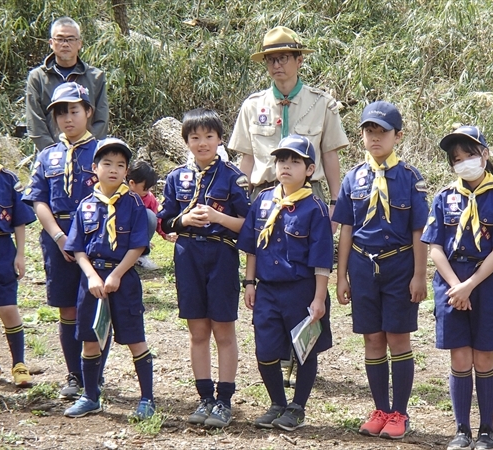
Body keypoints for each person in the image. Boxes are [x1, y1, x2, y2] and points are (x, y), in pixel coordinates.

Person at [333, 101, 428, 440]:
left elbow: (420, 231)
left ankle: (400, 413)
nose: (374, 138)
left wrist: (420, 274)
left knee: (398, 337)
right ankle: (380, 409)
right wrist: (340, 275)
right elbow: (346, 228)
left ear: (397, 136)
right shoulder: (352, 177)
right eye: (368, 131)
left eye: (382, 132)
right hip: (362, 266)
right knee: (372, 338)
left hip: (400, 264)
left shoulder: (411, 178)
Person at [421, 126, 493, 450]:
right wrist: (455, 287)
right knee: (460, 357)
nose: (464, 163)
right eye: (457, 159)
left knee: (484, 357)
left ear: (485, 155)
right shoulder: (444, 197)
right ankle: (461, 430)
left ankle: (487, 431)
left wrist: (470, 285)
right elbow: (434, 247)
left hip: (486, 282)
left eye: (470, 155)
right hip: (451, 282)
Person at [158, 108, 250, 428]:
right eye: (195, 137)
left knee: (223, 329)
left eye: (209, 136)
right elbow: (164, 221)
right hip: (187, 254)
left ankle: (224, 400)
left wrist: (217, 217)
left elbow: (247, 225)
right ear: (185, 141)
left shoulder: (233, 176)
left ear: (220, 139)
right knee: (198, 331)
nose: (202, 143)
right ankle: (204, 397)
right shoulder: (175, 178)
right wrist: (183, 220)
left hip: (222, 255)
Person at [237, 134, 334, 431]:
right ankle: (277, 402)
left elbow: (322, 260)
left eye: (295, 162)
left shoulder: (314, 208)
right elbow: (254, 245)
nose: (286, 167)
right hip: (267, 289)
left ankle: (297, 407)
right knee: (265, 350)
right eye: (282, 160)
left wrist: (319, 299)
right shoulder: (263, 201)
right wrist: (249, 282)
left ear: (309, 170)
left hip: (302, 290)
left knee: (305, 351)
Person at [22, 82, 108, 400]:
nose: (67, 118)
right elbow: (39, 200)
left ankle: (94, 376)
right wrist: (59, 237)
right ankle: (74, 375)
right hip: (58, 238)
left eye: (74, 110)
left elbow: (114, 197)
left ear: (88, 111)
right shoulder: (47, 157)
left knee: (95, 307)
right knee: (67, 309)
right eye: (61, 112)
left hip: (96, 239)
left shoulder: (103, 152)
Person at [63, 137, 154, 420]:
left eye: (120, 165)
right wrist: (91, 276)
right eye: (107, 164)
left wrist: (116, 274)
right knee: (91, 339)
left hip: (123, 278)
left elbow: (138, 246)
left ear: (127, 171)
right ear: (94, 167)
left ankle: (147, 399)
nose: (113, 170)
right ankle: (91, 396)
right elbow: (77, 248)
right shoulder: (86, 205)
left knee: (134, 338)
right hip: (92, 281)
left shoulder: (134, 204)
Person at [228, 26, 349, 206]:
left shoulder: (322, 103)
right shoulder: (253, 105)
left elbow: (329, 155)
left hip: (309, 195)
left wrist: (334, 202)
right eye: (271, 60)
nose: (276, 65)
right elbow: (248, 159)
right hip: (264, 195)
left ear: (299, 60)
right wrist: (240, 202)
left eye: (283, 58)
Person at [0, 119, 36, 388]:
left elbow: (19, 219)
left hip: (2, 247)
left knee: (7, 308)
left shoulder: (7, 179)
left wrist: (20, 254)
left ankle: (19, 363)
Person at [26, 16, 108, 151]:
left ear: (79, 43)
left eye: (70, 39)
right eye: (60, 39)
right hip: (50, 156)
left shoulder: (95, 77)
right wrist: (54, 152)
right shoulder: (37, 77)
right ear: (51, 43)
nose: (65, 44)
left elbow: (102, 120)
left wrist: (87, 148)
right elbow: (35, 122)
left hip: (89, 154)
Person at [127, 160, 177, 270]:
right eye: (145, 188)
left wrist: (165, 234)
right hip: (120, 234)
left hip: (136, 234)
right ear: (132, 183)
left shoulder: (148, 197)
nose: (148, 191)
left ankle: (140, 256)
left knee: (150, 215)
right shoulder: (120, 195)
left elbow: (158, 216)